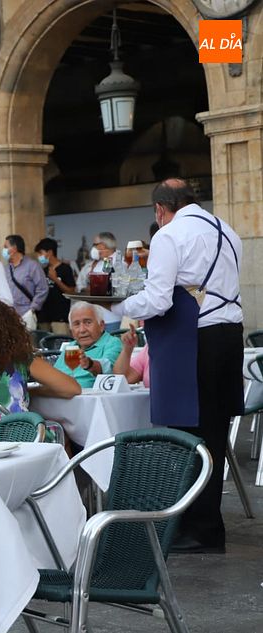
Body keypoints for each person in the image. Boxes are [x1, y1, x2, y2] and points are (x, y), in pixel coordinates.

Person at [111, 178, 243, 554]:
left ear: (159, 209)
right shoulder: (227, 230)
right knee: (213, 432)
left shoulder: (169, 235)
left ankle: (197, 528)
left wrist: (115, 306)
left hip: (193, 340)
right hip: (228, 335)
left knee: (187, 434)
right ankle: (205, 526)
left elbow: (158, 301)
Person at [0, 300, 80, 425]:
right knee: (60, 430)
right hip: (16, 433)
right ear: (13, 330)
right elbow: (72, 388)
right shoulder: (21, 360)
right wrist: (34, 391)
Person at [52, 301, 123, 388]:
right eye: (77, 324)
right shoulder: (71, 347)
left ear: (101, 326)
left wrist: (89, 364)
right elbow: (54, 374)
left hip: (90, 395)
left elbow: (108, 368)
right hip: (62, 393)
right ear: (71, 330)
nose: (82, 330)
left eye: (88, 322)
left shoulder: (112, 343)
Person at [76, 231, 122, 330]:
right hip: (98, 318)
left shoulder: (118, 262)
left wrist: (92, 289)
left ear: (103, 245)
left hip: (111, 318)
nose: (94, 248)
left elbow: (109, 287)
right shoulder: (100, 262)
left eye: (95, 245)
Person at [3, 234, 48, 330]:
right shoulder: (6, 268)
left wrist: (32, 309)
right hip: (10, 315)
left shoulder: (32, 266)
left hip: (26, 314)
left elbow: (43, 289)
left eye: (6, 247)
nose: (4, 250)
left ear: (14, 248)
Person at [34, 237, 77, 334]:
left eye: (41, 253)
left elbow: (71, 291)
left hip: (59, 317)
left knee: (60, 342)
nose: (39, 256)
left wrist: (55, 279)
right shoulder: (42, 270)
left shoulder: (65, 268)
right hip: (43, 317)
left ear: (49, 252)